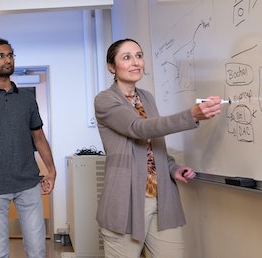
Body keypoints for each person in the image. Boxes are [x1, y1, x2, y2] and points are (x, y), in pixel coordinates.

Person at [94, 39, 223, 258]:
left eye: (139, 55)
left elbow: (153, 142)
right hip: (126, 203)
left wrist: (172, 168)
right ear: (111, 67)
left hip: (162, 197)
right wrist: (190, 115)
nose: (136, 62)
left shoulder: (146, 97)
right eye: (127, 57)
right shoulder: (105, 100)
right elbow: (139, 128)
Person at [0, 38, 57, 258]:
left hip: (28, 183)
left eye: (11, 54)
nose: (8, 59)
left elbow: (40, 138)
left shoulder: (27, 99)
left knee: (37, 250)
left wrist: (51, 171)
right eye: (0, 56)